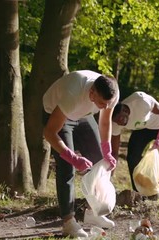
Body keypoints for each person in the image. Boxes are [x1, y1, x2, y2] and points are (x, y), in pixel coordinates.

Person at [43, 70, 119, 238]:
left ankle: (93, 212)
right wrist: (73, 158)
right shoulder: (74, 92)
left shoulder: (111, 92)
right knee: (66, 166)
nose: (105, 107)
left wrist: (107, 151)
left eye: (109, 104)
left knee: (99, 161)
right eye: (101, 103)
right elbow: (49, 133)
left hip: (83, 115)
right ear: (91, 93)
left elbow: (105, 121)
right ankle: (68, 222)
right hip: (56, 112)